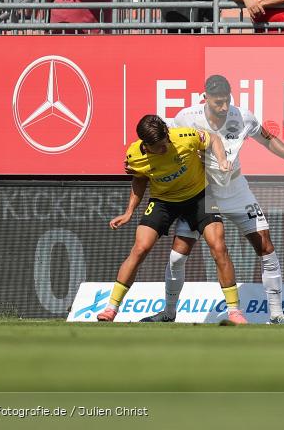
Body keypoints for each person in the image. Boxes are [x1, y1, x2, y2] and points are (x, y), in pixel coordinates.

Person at [142, 75, 284, 324]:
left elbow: (268, 139)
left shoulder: (243, 117)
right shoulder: (185, 118)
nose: (223, 108)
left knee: (265, 245)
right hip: (203, 194)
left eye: (226, 101)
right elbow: (159, 141)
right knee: (178, 256)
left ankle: (277, 314)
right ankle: (169, 312)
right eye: (217, 103)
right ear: (205, 99)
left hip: (236, 190)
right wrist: (138, 160)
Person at [98, 115, 248, 325]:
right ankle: (111, 308)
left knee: (219, 246)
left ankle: (235, 312)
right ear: (146, 145)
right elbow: (139, 180)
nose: (165, 149)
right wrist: (129, 211)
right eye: (158, 147)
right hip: (163, 201)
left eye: (166, 142)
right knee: (140, 248)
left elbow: (213, 138)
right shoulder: (134, 155)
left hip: (200, 196)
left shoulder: (184, 137)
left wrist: (222, 160)